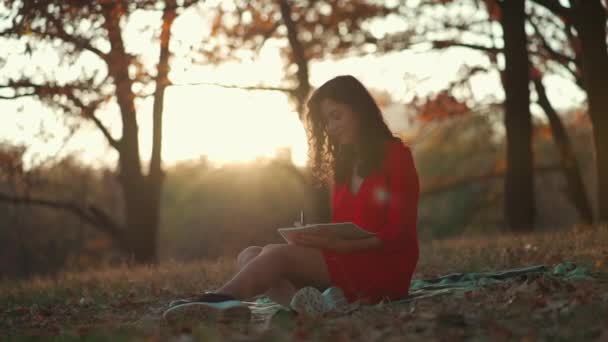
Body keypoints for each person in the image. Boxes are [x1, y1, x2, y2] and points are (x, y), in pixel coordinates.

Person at [163, 75, 420, 322]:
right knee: (250, 255)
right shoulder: (344, 166)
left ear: (360, 110)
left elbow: (400, 230)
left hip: (385, 266)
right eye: (326, 121)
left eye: (336, 116)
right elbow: (346, 228)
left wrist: (344, 247)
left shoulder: (396, 156)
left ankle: (217, 302)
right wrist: (319, 240)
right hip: (348, 261)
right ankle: (311, 310)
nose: (331, 127)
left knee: (275, 256)